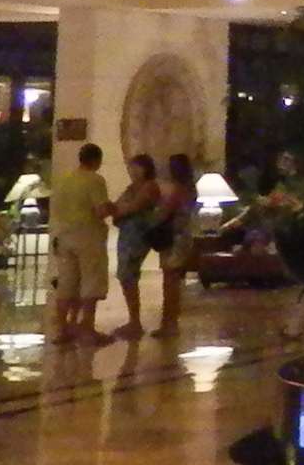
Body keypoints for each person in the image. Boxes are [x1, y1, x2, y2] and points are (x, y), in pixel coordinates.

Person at [47, 144, 115, 347]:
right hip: (88, 237)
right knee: (90, 283)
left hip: (63, 236)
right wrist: (113, 207)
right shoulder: (94, 180)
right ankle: (87, 330)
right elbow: (100, 211)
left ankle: (62, 329)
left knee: (66, 284)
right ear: (96, 160)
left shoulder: (64, 180)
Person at [108, 154, 162, 340]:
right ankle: (133, 320)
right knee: (125, 275)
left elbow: (133, 207)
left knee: (129, 273)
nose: (133, 171)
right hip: (127, 233)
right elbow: (117, 206)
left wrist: (120, 210)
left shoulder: (149, 186)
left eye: (137, 167)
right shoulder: (131, 188)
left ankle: (135, 321)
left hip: (138, 235)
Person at [152, 154, 201, 343]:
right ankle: (170, 322)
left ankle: (169, 323)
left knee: (170, 282)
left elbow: (164, 213)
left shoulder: (179, 190)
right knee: (173, 280)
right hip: (184, 235)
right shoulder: (191, 189)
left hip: (174, 238)